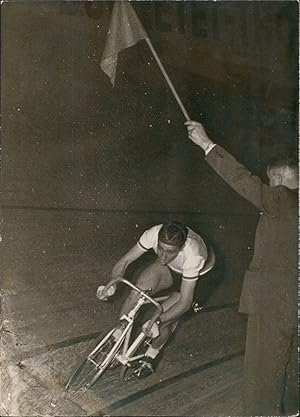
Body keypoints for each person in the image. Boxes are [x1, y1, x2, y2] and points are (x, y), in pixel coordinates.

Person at [185, 120, 298, 415]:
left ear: (278, 176)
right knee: (293, 371)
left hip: (274, 302)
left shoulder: (282, 197)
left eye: (270, 178)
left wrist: (205, 144)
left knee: (262, 374)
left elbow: (243, 180)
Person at [97, 221, 208, 378]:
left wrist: (158, 321)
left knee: (161, 319)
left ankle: (152, 355)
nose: (163, 255)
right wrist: (113, 284)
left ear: (182, 247)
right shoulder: (153, 234)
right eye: (160, 248)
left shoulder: (193, 256)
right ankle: (116, 336)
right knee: (136, 293)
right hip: (169, 268)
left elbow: (184, 302)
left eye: (170, 251)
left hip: (195, 280)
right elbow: (125, 261)